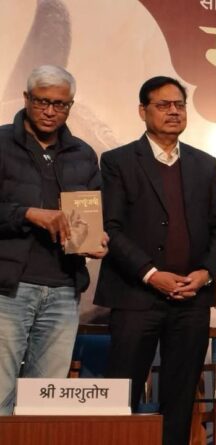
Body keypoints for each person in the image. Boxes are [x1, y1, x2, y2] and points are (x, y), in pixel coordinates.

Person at [95, 76, 216, 445]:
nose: (174, 111)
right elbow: (110, 227)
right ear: (143, 111)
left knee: (180, 396)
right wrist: (151, 274)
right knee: (121, 395)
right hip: (136, 296)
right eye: (163, 105)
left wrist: (206, 273)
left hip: (192, 297)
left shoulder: (205, 164)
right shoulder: (118, 161)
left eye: (179, 105)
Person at [0, 65, 107, 415]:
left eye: (60, 104)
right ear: (26, 98)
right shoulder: (2, 143)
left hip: (63, 289)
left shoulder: (83, 154)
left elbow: (93, 213)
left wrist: (97, 239)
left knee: (46, 402)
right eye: (42, 101)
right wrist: (28, 214)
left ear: (70, 106)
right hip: (9, 289)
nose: (50, 111)